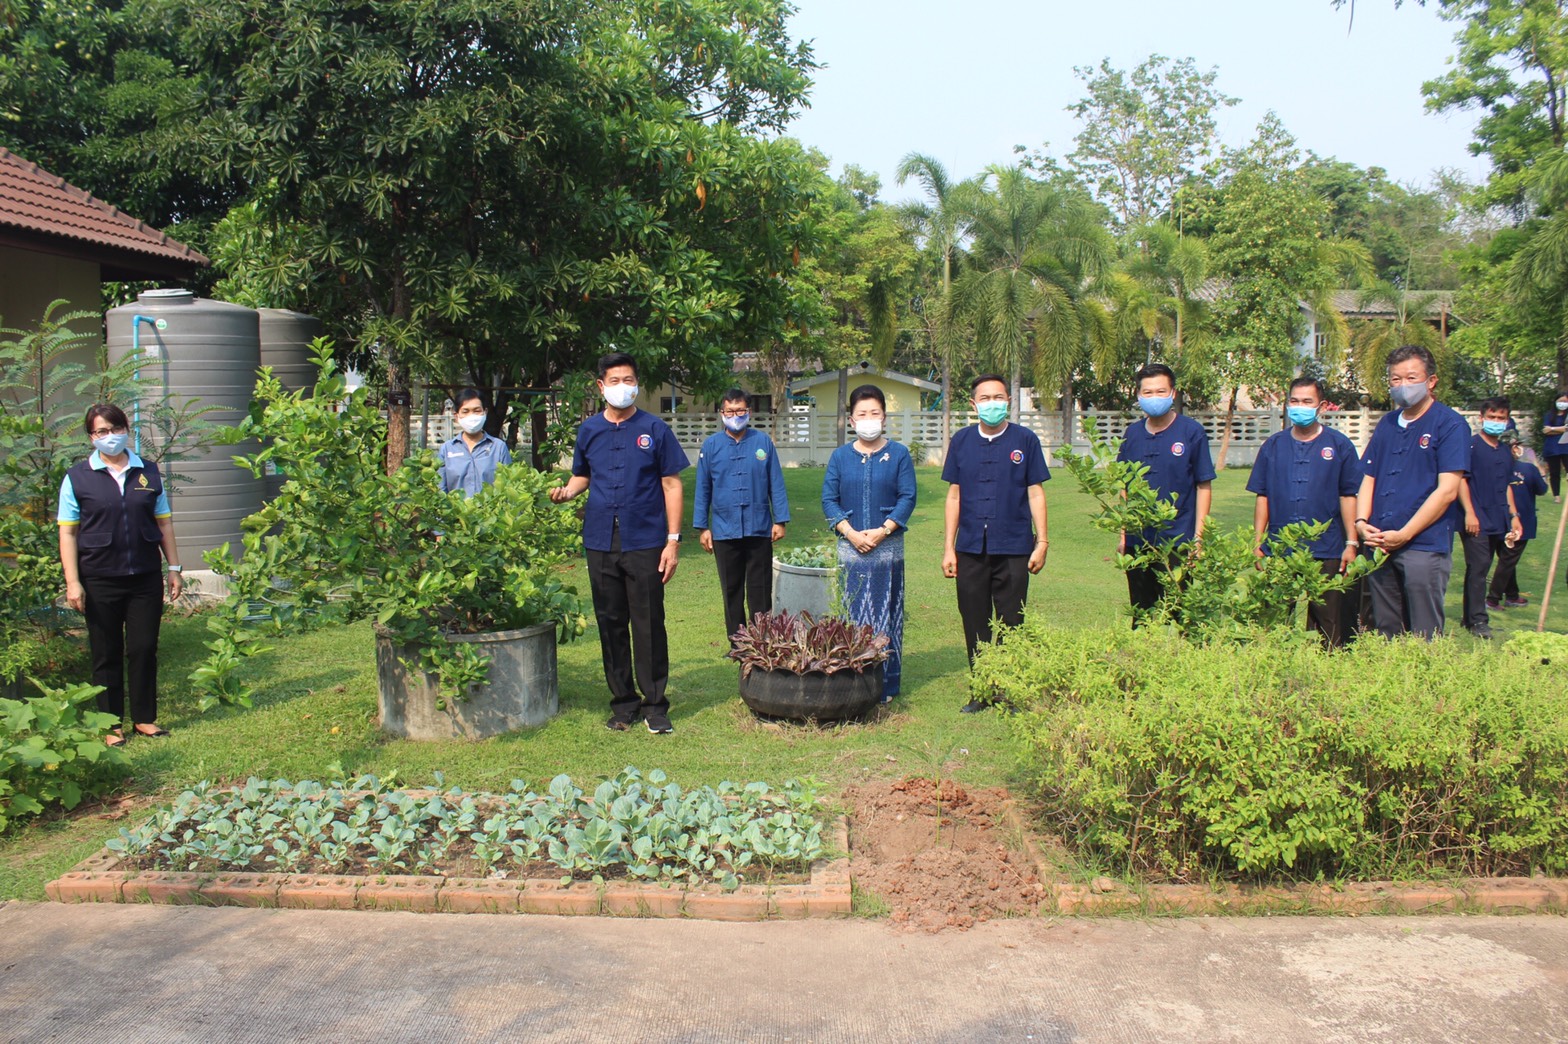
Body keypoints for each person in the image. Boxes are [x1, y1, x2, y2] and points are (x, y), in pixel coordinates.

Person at [549, 352, 689, 733]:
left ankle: (655, 704)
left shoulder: (655, 429)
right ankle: (623, 702)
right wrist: (566, 492)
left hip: (645, 540)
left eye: (629, 380)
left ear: (637, 384)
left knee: (647, 622)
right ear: (601, 386)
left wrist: (672, 541)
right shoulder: (589, 430)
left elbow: (672, 485)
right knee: (610, 622)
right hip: (599, 540)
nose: (622, 387)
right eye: (615, 381)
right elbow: (582, 476)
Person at [57, 404, 184, 747]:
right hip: (99, 579)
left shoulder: (149, 472)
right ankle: (110, 725)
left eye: (115, 428)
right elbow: (67, 533)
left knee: (143, 648)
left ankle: (144, 719)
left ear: (126, 429)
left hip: (143, 576)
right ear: (91, 437)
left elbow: (164, 523)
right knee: (106, 651)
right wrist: (73, 581)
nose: (109, 436)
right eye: (101, 431)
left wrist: (173, 567)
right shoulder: (78, 477)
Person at [940, 374, 1049, 712]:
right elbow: (954, 495)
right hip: (971, 546)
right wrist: (948, 546)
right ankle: (982, 689)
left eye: (998, 397)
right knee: (974, 619)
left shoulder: (1025, 440)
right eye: (985, 398)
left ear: (1009, 402)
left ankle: (1010, 689)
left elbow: (1035, 491)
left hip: (1015, 544)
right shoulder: (961, 441)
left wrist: (1042, 541)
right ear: (973, 405)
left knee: (1012, 620)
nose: (992, 404)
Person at [1355, 344, 1470, 639]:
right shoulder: (1387, 424)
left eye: (1411, 378)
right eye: (1395, 379)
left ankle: (1426, 682)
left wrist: (1405, 534)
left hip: (1423, 544)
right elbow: (1368, 476)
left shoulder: (1450, 425)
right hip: (1379, 540)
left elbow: (1446, 491)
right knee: (1386, 626)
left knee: (1425, 631)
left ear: (1431, 381)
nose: (1403, 386)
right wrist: (1361, 523)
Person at [1247, 376, 1364, 647]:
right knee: (1275, 616)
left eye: (1307, 401)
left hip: (1327, 547)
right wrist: (1257, 541)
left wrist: (1351, 542)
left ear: (1321, 406)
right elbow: (1262, 496)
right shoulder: (1273, 446)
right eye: (1295, 401)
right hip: (1280, 548)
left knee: (1328, 618)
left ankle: (1329, 672)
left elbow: (1348, 496)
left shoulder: (1339, 445)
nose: (1300, 406)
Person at [822, 385, 917, 701]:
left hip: (887, 548)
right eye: (862, 414)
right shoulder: (840, 457)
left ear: (884, 418)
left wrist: (883, 530)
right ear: (851, 420)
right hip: (850, 548)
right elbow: (828, 499)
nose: (868, 419)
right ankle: (853, 682)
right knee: (853, 614)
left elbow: (907, 497)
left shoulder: (899, 454)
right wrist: (849, 532)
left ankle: (885, 685)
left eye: (874, 413)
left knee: (886, 613)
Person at [1116, 363, 1214, 619]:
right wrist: (1124, 534)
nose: (1154, 397)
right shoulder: (1132, 435)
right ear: (1138, 396)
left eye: (1160, 391)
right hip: (1140, 542)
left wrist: (1199, 538)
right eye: (1147, 393)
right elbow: (1124, 489)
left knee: (1183, 615)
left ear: (1173, 393)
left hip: (1178, 541)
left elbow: (1203, 485)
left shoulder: (1191, 432)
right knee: (1142, 615)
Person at [693, 388, 790, 643]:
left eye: (740, 411)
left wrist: (780, 520)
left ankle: (762, 640)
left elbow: (775, 482)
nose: (734, 415)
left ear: (749, 412)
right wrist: (702, 527)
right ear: (721, 413)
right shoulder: (711, 446)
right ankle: (738, 643)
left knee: (759, 588)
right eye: (729, 411)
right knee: (731, 588)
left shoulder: (762, 443)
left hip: (759, 527)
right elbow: (703, 487)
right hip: (725, 529)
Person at [1456, 397, 1524, 638]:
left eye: (1501, 418)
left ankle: (1470, 617)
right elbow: (1461, 480)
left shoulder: (1505, 452)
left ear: (1507, 421)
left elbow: (1507, 485)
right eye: (1492, 417)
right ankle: (1477, 621)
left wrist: (1514, 515)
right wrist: (1470, 513)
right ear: (1481, 418)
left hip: (1499, 517)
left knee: (1485, 567)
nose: (1496, 422)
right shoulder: (1471, 447)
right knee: (1479, 567)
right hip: (1476, 518)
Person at [1488, 439, 1547, 610]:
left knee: (1507, 559)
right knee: (1507, 561)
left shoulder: (1493, 469)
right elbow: (1542, 489)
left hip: (1498, 521)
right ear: (1514, 448)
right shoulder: (1528, 469)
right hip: (1520, 523)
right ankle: (1493, 598)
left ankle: (1512, 595)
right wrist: (1540, 470)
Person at [437, 387, 512, 496]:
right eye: (465, 411)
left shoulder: (498, 447)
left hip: (490, 512)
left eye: (477, 411)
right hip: (456, 512)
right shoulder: (447, 449)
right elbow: (440, 490)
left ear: (485, 412)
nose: (471, 416)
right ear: (456, 416)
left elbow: (508, 487)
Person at [1541, 390, 1568, 503]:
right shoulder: (1549, 415)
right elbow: (1545, 431)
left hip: (1566, 446)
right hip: (1552, 448)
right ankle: (1556, 496)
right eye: (1560, 401)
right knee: (1554, 472)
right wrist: (1561, 429)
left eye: (1565, 401)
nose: (1562, 403)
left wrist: (1552, 429)